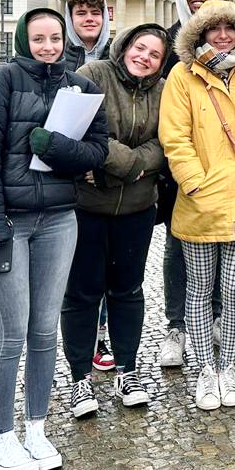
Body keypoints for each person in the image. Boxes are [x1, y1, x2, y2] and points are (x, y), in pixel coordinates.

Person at [0, 8, 108, 470]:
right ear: (26, 39)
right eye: (38, 38)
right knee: (9, 335)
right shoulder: (1, 83)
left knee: (45, 331)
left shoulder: (82, 88)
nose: (48, 46)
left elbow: (97, 151)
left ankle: (36, 427)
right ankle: (3, 438)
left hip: (59, 219)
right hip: (7, 222)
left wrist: (56, 148)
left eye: (54, 38)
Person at [159, 0, 235, 411]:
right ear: (200, 34)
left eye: (230, 28)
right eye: (214, 29)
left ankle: (228, 368)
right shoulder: (181, 75)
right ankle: (206, 370)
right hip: (200, 201)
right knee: (199, 289)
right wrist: (194, 183)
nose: (223, 35)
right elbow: (175, 137)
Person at [60, 23, 169, 417]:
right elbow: (78, 131)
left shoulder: (164, 90)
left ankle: (127, 368)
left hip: (137, 209)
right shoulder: (92, 75)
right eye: (140, 48)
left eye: (155, 54)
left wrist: (135, 164)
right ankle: (79, 378)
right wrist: (129, 163)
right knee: (82, 293)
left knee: (127, 291)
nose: (145, 58)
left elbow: (168, 140)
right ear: (125, 46)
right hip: (87, 206)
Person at [156, 0, 222, 368]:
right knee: (177, 247)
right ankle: (176, 326)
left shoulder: (226, 37)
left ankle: (217, 317)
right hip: (178, 164)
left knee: (223, 243)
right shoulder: (166, 41)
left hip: (222, 164)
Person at [60, 0, 114, 368]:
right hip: (68, 174)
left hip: (108, 170)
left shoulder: (119, 55)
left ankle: (102, 337)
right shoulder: (56, 54)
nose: (89, 19)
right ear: (71, 18)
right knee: (75, 268)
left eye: (95, 13)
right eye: (81, 13)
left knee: (109, 269)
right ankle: (72, 341)